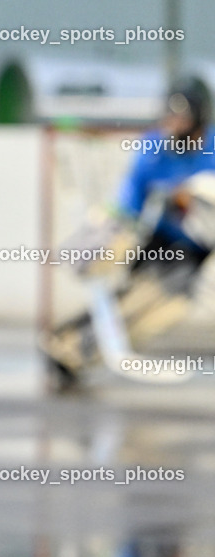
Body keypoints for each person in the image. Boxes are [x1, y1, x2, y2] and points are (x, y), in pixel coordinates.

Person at [43, 77, 215, 387]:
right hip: (161, 240)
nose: (173, 125)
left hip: (200, 251)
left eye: (181, 117)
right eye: (169, 116)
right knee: (133, 299)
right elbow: (130, 202)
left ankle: (75, 348)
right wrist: (107, 231)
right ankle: (68, 347)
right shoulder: (154, 147)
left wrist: (193, 193)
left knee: (163, 310)